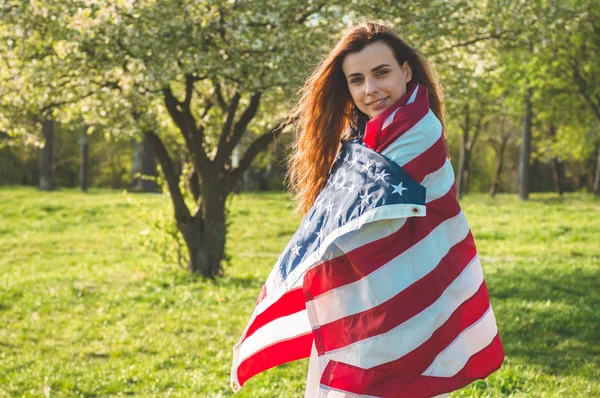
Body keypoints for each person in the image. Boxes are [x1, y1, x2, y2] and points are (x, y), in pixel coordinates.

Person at [231, 22, 503, 398]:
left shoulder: (418, 133)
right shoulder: (363, 136)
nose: (370, 90)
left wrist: (302, 263)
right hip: (367, 298)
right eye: (356, 80)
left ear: (406, 71)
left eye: (381, 73)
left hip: (400, 301)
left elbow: (365, 223)